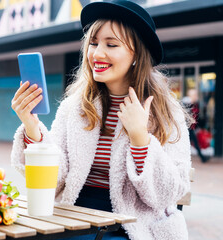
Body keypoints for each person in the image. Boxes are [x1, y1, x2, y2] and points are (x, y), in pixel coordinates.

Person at [11, 1, 192, 239]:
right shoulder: (74, 107)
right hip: (75, 219)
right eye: (94, 43)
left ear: (136, 53)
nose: (97, 53)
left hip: (134, 227)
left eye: (111, 44)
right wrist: (32, 128)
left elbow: (166, 194)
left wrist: (140, 138)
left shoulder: (164, 110)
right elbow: (54, 183)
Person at [182, 89, 209, 163]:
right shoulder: (186, 104)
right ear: (191, 95)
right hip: (187, 128)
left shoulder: (196, 104)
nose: (196, 96)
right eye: (195, 95)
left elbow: (197, 117)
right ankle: (202, 158)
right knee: (192, 143)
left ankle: (202, 157)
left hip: (191, 127)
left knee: (190, 144)